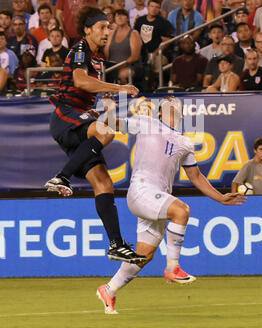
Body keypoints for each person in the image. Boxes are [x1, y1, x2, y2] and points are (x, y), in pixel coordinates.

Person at [96, 95, 246, 314]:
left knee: (144, 255)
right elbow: (112, 123)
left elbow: (196, 177)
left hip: (157, 198)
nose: (170, 101)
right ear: (159, 111)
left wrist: (220, 197)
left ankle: (109, 289)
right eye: (166, 101)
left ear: (181, 113)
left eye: (174, 101)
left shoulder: (185, 142)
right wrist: (109, 108)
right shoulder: (147, 122)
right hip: (141, 190)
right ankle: (172, 268)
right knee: (182, 210)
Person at [45, 4, 147, 264]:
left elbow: (92, 90)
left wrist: (106, 104)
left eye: (108, 28)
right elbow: (80, 81)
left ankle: (116, 245)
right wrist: (119, 87)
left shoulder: (100, 61)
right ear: (87, 30)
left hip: (79, 119)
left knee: (104, 183)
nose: (106, 31)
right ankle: (61, 177)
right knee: (106, 131)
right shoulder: (80, 49)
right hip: (64, 115)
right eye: (102, 27)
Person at [104, 8, 142, 85]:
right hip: (113, 66)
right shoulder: (111, 34)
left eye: (122, 15)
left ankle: (124, 96)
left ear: (127, 18)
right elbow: (106, 54)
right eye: (117, 16)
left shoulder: (133, 33)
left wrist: (119, 67)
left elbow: (135, 56)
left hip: (130, 66)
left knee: (122, 74)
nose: (120, 18)